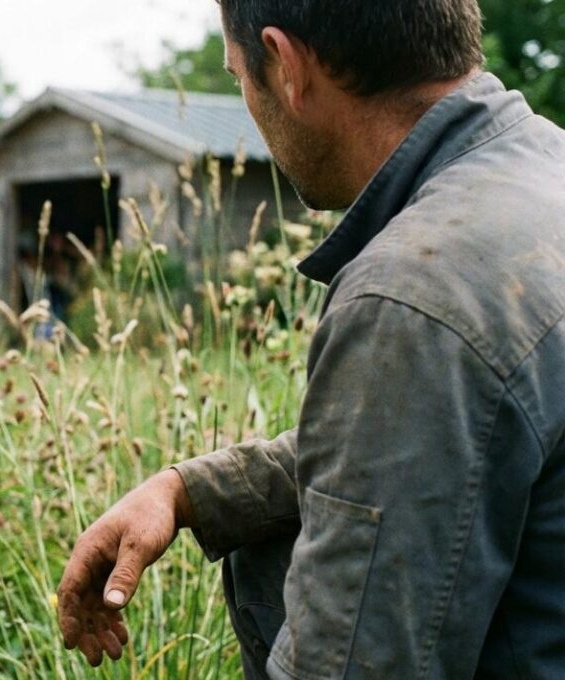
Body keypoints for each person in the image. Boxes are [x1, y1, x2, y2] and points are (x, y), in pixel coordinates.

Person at [58, 0, 565, 677]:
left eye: (240, 75)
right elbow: (437, 444)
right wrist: (189, 492)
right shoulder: (542, 171)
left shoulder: (416, 292)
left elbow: (355, 662)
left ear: (287, 66)